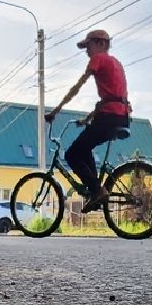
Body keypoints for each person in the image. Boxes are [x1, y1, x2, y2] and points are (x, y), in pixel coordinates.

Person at [46, 28, 132, 211]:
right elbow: (111, 98)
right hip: (122, 117)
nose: (86, 51)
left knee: (71, 154)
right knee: (85, 149)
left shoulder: (99, 58)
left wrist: (56, 110)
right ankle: (96, 193)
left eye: (88, 46)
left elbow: (78, 86)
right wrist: (87, 119)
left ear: (101, 44)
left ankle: (97, 191)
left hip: (108, 117)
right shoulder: (116, 62)